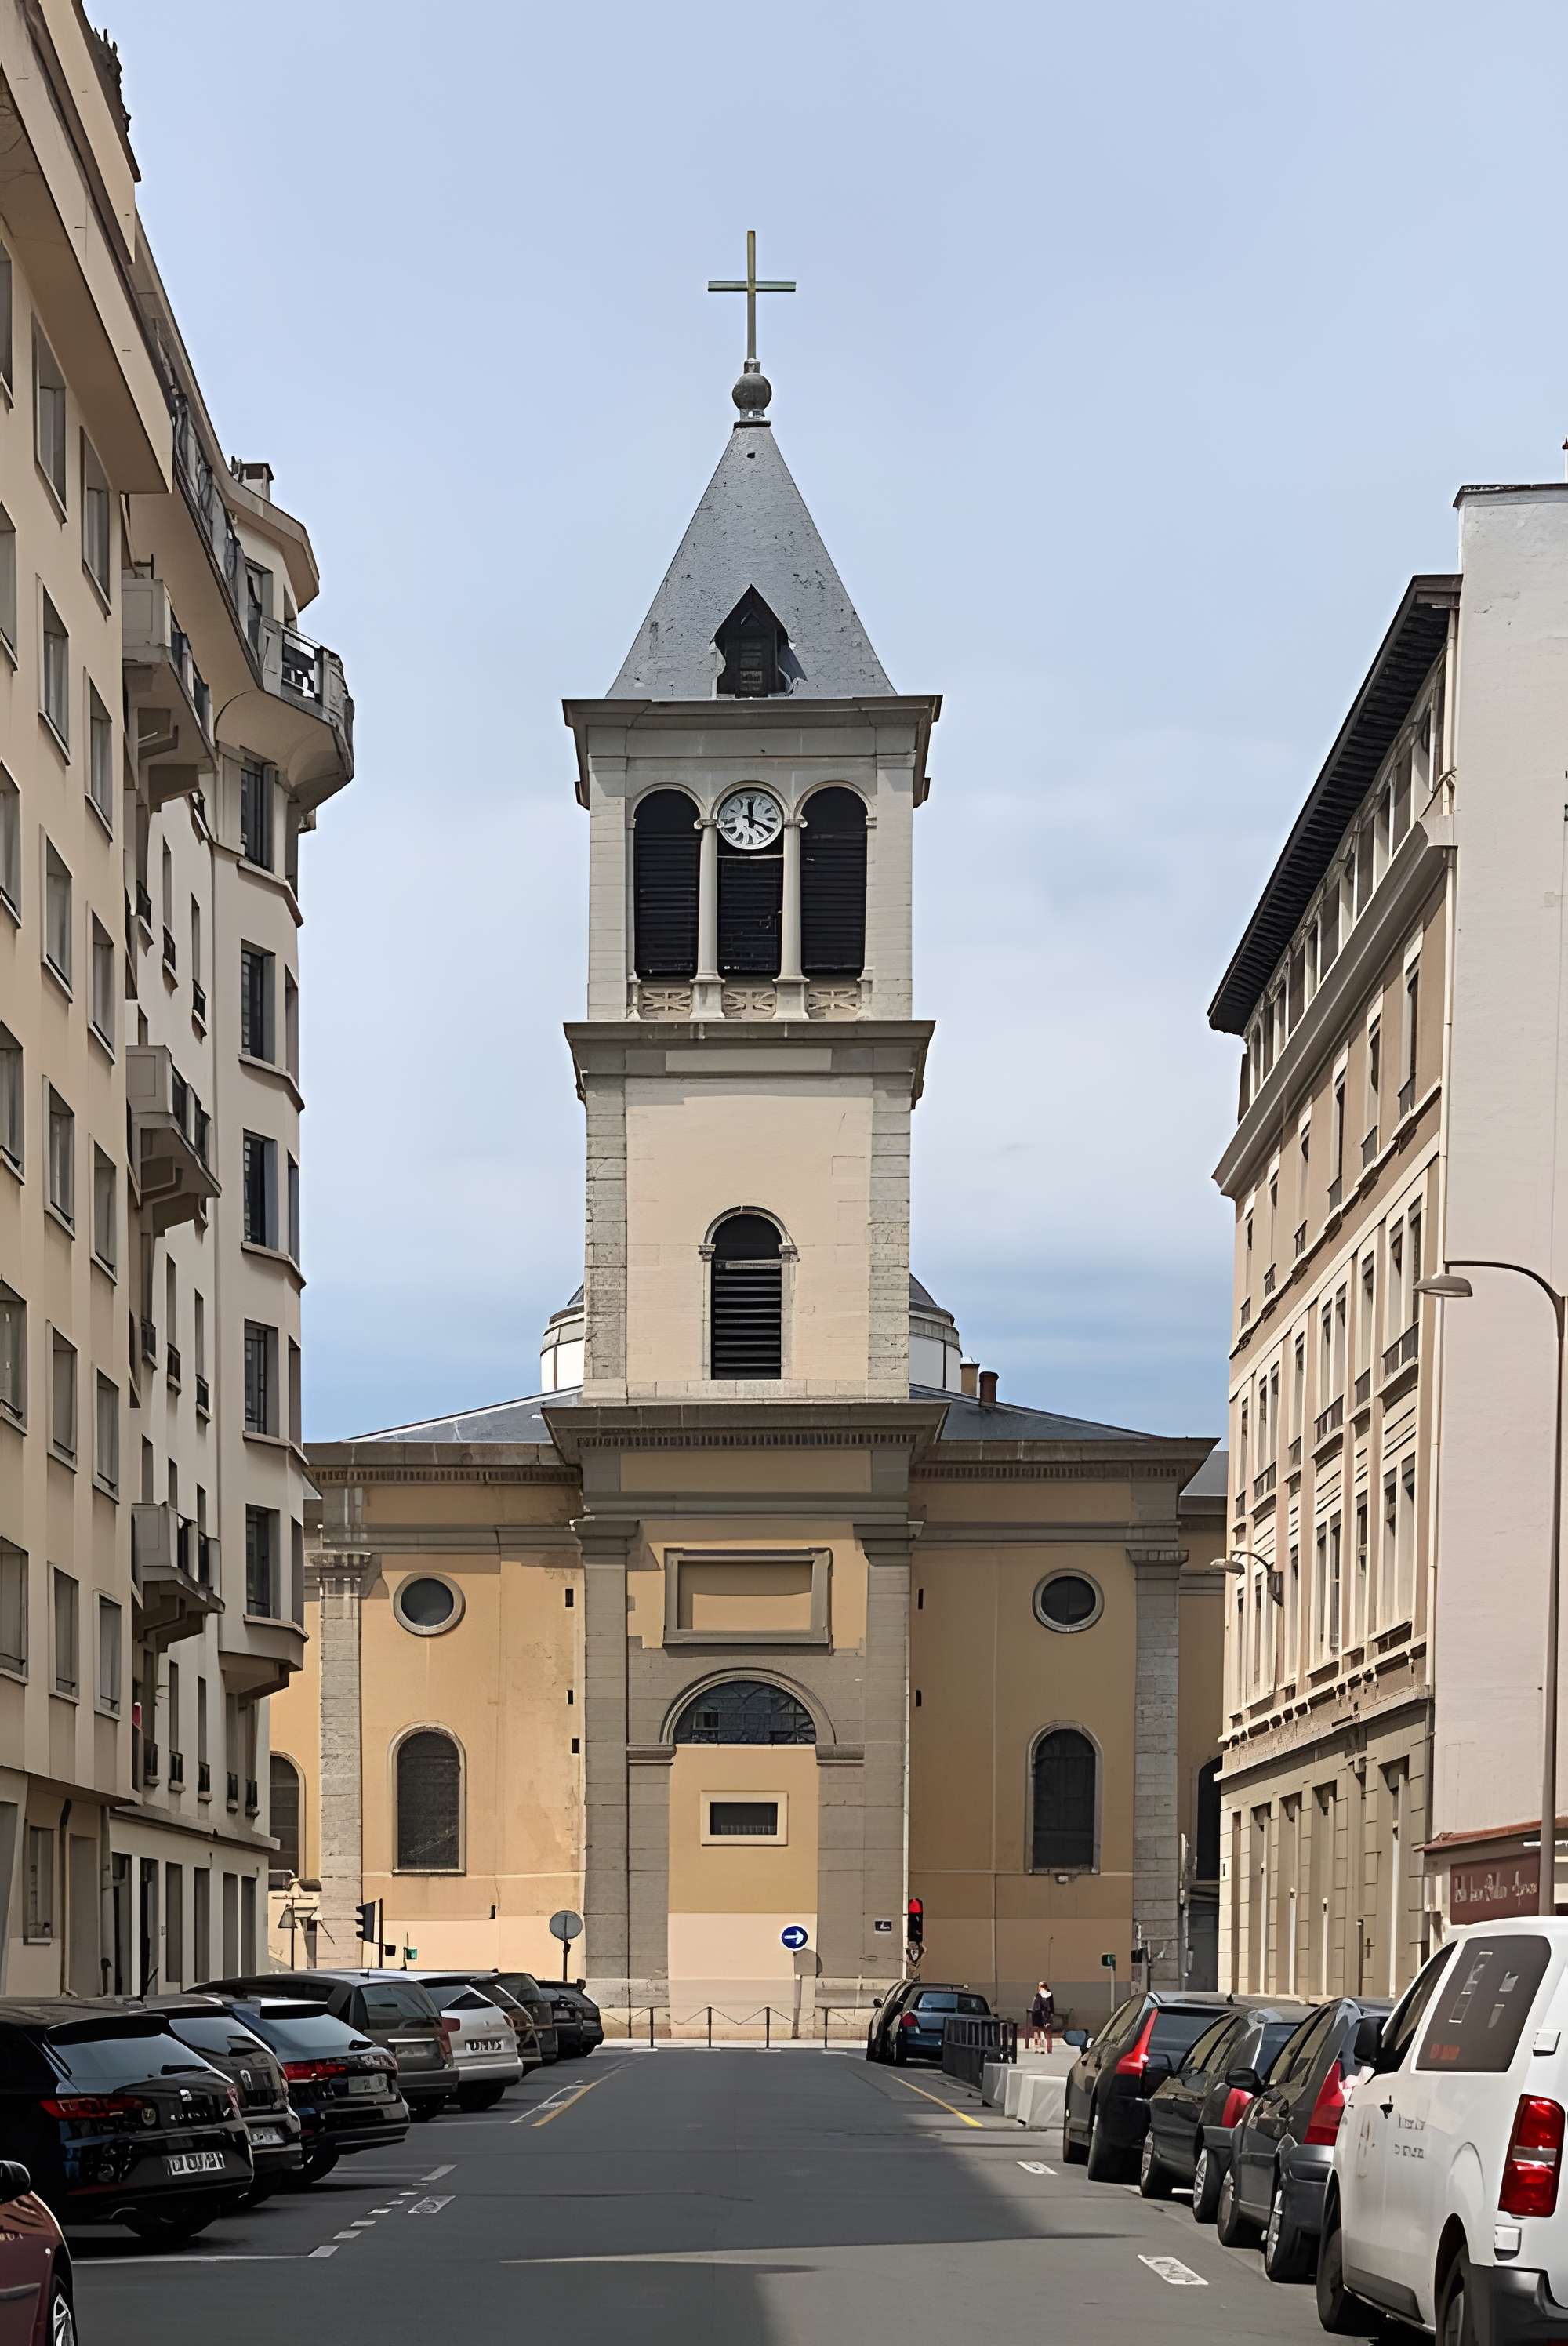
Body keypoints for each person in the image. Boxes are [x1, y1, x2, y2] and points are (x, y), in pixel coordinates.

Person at [1026, 1980, 1054, 2052]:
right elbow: (1051, 2005)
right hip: (1046, 2016)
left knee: (1037, 2030)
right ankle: (1047, 2048)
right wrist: (1051, 2013)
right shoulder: (1050, 1995)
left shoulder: (1038, 1995)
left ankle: (1037, 2046)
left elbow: (1035, 2006)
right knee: (1047, 2032)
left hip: (1037, 2015)